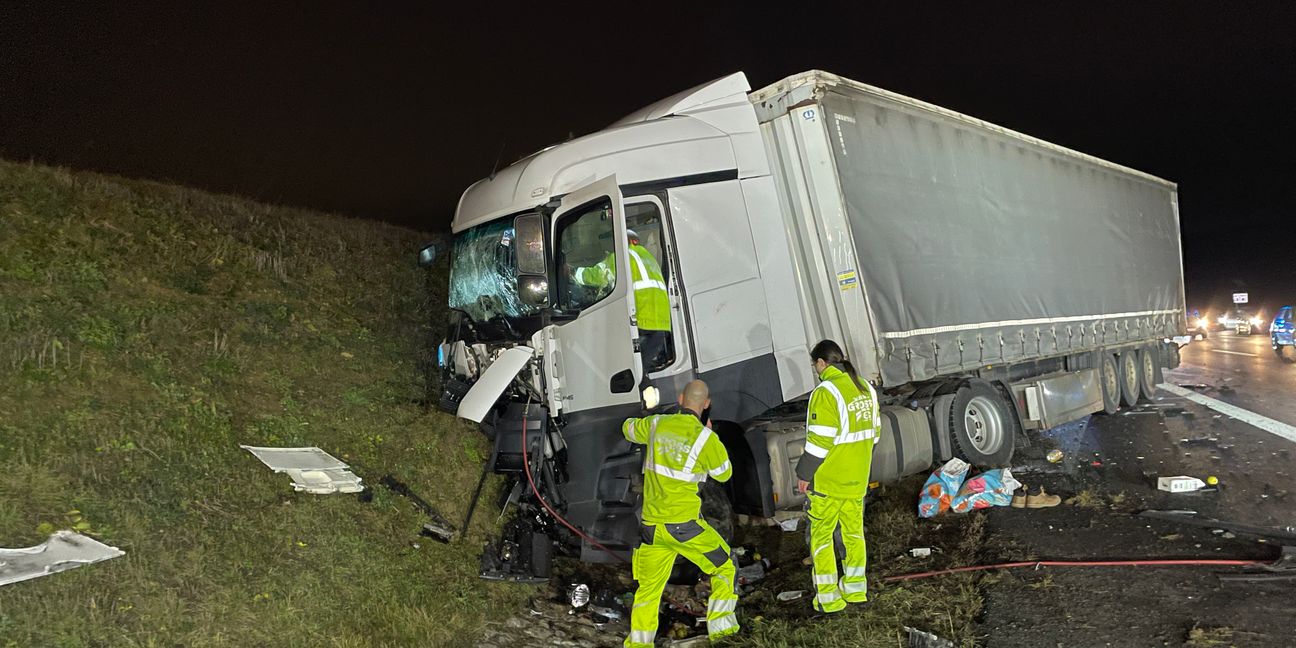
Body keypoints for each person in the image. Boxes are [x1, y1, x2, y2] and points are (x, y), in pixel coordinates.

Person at [622, 380, 739, 647]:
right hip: (684, 528)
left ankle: (639, 644)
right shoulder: (705, 438)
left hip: (652, 528)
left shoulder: (656, 425)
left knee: (648, 590)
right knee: (725, 567)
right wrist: (710, 437)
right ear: (706, 404)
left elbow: (627, 429)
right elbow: (724, 473)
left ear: (680, 398)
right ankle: (722, 632)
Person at [795, 339, 880, 613]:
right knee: (854, 535)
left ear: (822, 363)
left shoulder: (826, 391)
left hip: (829, 483)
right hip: (857, 480)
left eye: (814, 365)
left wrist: (803, 474)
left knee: (821, 538)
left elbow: (819, 443)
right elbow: (874, 435)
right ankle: (855, 590)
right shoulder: (865, 387)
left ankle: (828, 598)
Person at [571, 229, 672, 373]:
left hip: (641, 320)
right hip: (661, 322)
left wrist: (573, 273)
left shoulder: (620, 257)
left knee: (624, 368)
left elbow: (596, 275)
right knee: (642, 369)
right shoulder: (648, 257)